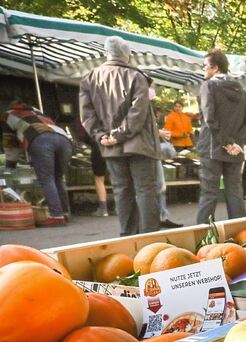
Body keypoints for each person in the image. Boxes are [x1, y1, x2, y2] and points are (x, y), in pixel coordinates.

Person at [79, 36, 162, 235]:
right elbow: (138, 111)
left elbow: (87, 115)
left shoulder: (90, 79)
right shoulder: (136, 76)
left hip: (110, 146)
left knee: (122, 190)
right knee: (145, 190)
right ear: (127, 55)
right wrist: (121, 134)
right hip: (140, 144)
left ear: (106, 53)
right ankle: (150, 238)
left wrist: (101, 136)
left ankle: (128, 236)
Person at [195, 48, 246, 225]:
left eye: (205, 66)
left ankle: (204, 235)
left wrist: (227, 143)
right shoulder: (241, 91)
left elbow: (209, 119)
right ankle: (240, 232)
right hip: (236, 150)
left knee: (209, 193)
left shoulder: (208, 86)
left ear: (215, 68)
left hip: (212, 147)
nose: (203, 69)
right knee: (234, 192)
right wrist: (235, 143)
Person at [1, 100, 73, 227]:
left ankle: (57, 216)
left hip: (40, 138)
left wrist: (10, 165)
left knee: (47, 179)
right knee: (58, 177)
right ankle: (64, 213)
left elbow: (10, 143)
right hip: (63, 138)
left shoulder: (7, 115)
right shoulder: (36, 110)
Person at [69, 116, 110, 217]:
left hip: (98, 147)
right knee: (117, 177)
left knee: (99, 179)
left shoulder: (85, 118)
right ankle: (120, 207)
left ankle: (103, 210)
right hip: (113, 145)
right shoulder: (108, 114)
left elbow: (82, 136)